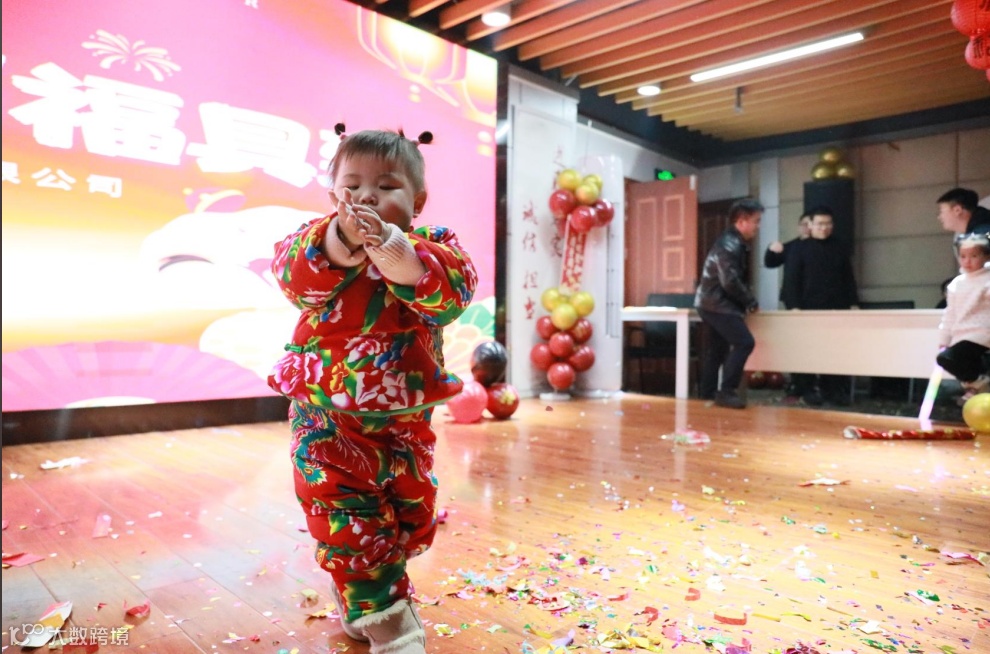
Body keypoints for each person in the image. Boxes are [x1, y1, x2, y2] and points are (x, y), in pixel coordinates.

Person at [267, 125, 477, 654]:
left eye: (386, 186)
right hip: (326, 416)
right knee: (345, 515)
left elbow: (450, 296)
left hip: (404, 420)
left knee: (409, 513)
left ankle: (363, 589)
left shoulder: (437, 247)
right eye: (353, 186)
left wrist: (396, 253)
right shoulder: (315, 242)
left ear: (417, 201)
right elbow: (294, 279)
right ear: (333, 195)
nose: (367, 197)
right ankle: (386, 616)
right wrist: (341, 243)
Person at [783, 206, 860, 406]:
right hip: (807, 308)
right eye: (819, 224)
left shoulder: (840, 247)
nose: (824, 228)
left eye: (828, 224)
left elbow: (848, 278)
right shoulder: (799, 248)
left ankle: (834, 390)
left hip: (837, 307)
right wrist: (793, 306)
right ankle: (807, 389)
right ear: (810, 225)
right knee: (807, 349)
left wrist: (853, 303)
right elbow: (791, 280)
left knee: (836, 349)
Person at [694, 198, 763, 409]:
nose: (758, 226)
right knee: (745, 343)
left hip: (710, 302)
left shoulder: (731, 242)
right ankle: (726, 392)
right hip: (717, 304)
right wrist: (750, 301)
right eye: (756, 221)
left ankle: (707, 393)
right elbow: (730, 281)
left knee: (717, 348)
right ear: (741, 221)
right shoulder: (729, 245)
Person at [937, 232, 990, 404]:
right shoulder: (956, 284)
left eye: (974, 256)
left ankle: (978, 384)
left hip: (983, 333)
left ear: (986, 256)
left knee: (947, 358)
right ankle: (976, 385)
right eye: (963, 256)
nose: (967, 261)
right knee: (949, 359)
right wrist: (944, 338)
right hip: (962, 334)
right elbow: (950, 313)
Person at [764, 212, 812, 309]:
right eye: (804, 224)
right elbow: (770, 263)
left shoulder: (822, 247)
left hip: (814, 296)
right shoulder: (791, 246)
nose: (807, 228)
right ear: (798, 227)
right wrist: (770, 249)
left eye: (810, 225)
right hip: (792, 297)